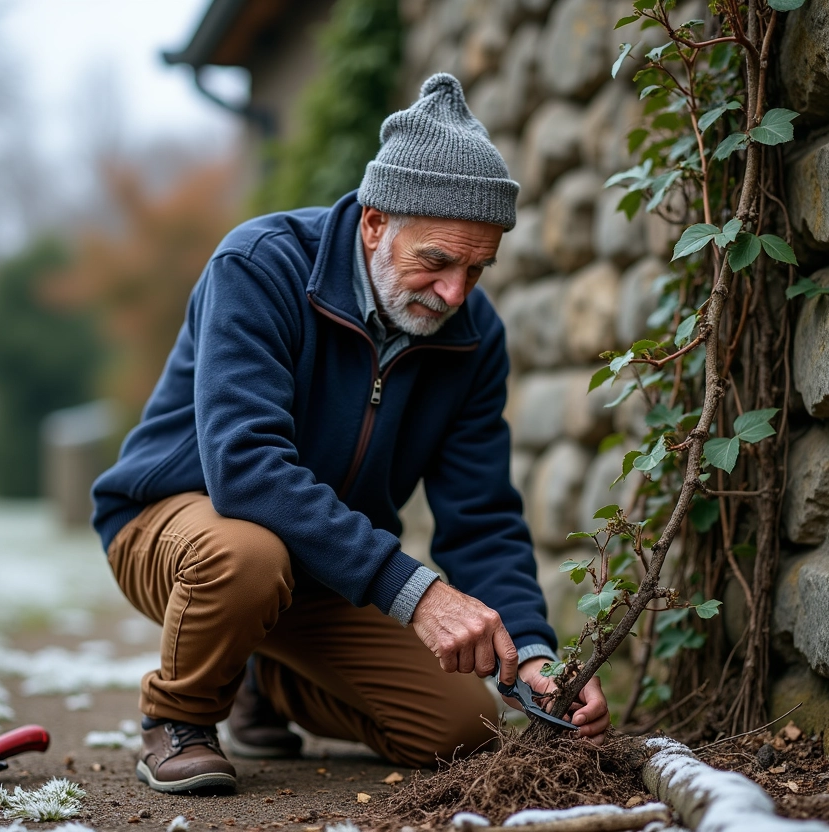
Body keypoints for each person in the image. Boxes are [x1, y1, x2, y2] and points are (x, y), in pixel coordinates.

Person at [91, 72, 609, 795]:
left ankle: (263, 682)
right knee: (247, 553)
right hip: (181, 529)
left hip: (323, 566)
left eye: (476, 269)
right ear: (374, 223)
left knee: (460, 729)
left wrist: (530, 655)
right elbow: (246, 470)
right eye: (436, 260)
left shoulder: (473, 338)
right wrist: (420, 594)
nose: (455, 293)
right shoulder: (261, 266)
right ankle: (179, 718)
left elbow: (481, 513)